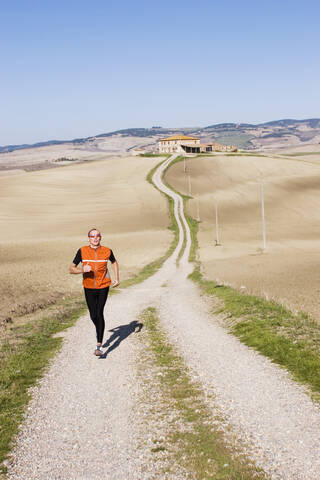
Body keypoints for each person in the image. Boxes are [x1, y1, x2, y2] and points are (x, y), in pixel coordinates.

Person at [69, 228, 119, 356]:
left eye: (97, 236)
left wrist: (116, 278)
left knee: (99, 312)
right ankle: (99, 329)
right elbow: (71, 269)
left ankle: (99, 345)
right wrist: (82, 270)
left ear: (100, 238)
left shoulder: (107, 251)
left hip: (103, 286)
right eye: (92, 236)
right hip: (88, 286)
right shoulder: (82, 251)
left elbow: (114, 262)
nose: (95, 238)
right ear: (89, 238)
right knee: (93, 315)